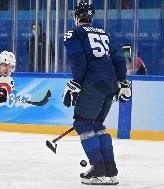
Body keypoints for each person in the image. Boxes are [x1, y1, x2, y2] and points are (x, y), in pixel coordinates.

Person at [63, 2, 131, 185]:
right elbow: (118, 59)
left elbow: (78, 60)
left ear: (76, 17)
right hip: (110, 85)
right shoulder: (104, 33)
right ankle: (111, 170)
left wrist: (77, 82)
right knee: (97, 125)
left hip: (92, 83)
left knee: (83, 123)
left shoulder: (74, 33)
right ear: (91, 17)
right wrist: (123, 82)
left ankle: (98, 170)